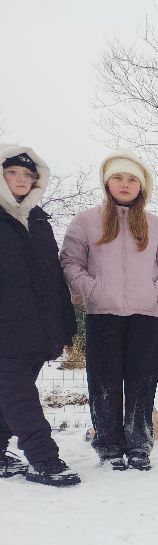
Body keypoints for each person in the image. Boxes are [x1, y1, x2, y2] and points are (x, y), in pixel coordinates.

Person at [61, 152, 158, 471]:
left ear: (141, 187)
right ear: (107, 182)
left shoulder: (156, 226)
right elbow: (70, 262)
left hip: (145, 318)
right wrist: (91, 289)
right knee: (104, 384)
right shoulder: (86, 221)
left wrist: (155, 292)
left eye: (132, 180)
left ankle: (140, 444)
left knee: (142, 383)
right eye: (119, 178)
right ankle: (109, 444)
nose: (125, 184)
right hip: (102, 316)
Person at [0, 146, 79, 486]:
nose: (21, 179)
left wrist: (64, 324)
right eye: (13, 173)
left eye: (28, 175)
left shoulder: (38, 220)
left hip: (36, 329)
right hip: (6, 329)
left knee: (12, 394)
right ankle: (44, 459)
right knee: (20, 395)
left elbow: (52, 277)